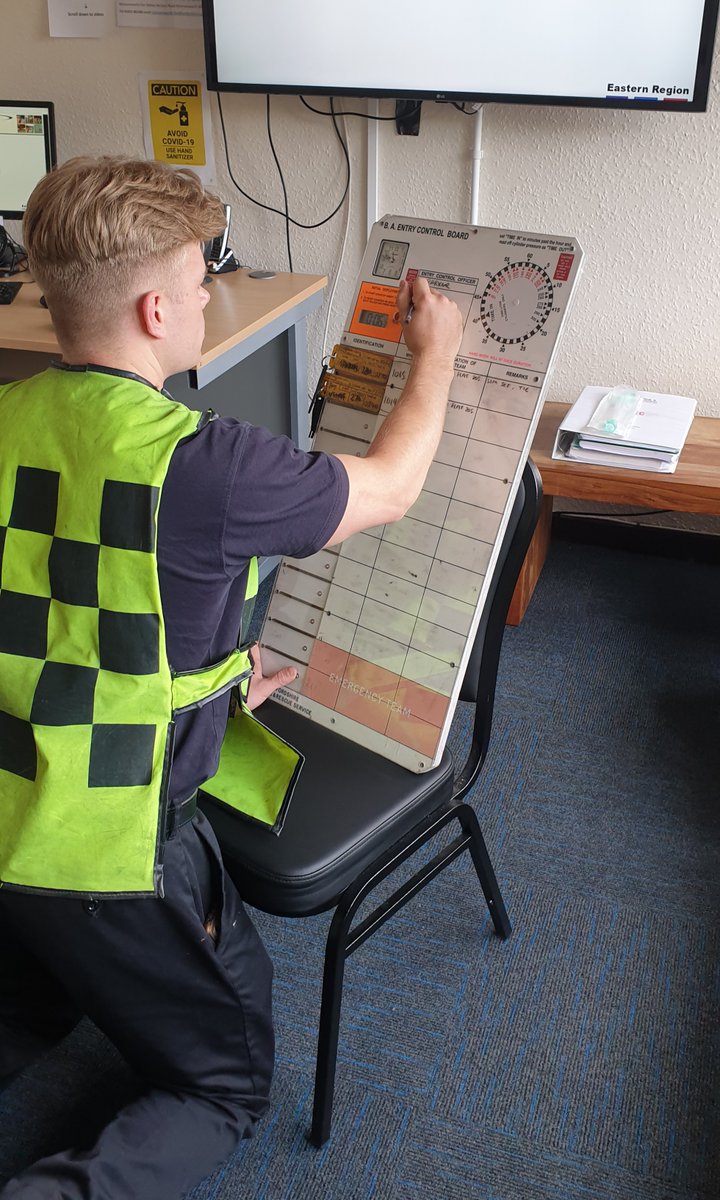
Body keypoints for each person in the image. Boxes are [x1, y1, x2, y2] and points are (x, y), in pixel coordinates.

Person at [0, 156, 462, 1199]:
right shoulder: (202, 464)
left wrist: (204, 676)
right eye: (200, 282)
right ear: (158, 309)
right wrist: (435, 355)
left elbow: (66, 596)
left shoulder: (9, 415)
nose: (209, 297)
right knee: (221, 1088)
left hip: (6, 798)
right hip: (102, 846)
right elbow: (387, 489)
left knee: (33, 999)